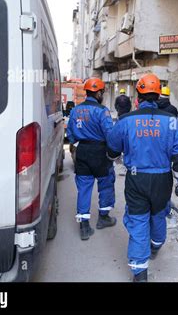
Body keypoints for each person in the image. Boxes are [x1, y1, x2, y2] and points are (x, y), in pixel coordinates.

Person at [107, 73, 178, 282]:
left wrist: (112, 155)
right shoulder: (170, 120)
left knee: (138, 220)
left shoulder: (126, 120)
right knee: (159, 214)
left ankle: (140, 273)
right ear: (159, 95)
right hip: (162, 179)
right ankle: (156, 244)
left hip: (137, 180)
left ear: (138, 97)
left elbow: (113, 149)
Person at [67, 77, 117, 241]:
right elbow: (110, 134)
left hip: (82, 152)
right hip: (100, 153)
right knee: (106, 184)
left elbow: (71, 136)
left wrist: (76, 143)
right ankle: (103, 218)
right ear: (99, 92)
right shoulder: (102, 111)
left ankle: (84, 226)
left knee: (84, 189)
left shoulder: (75, 111)